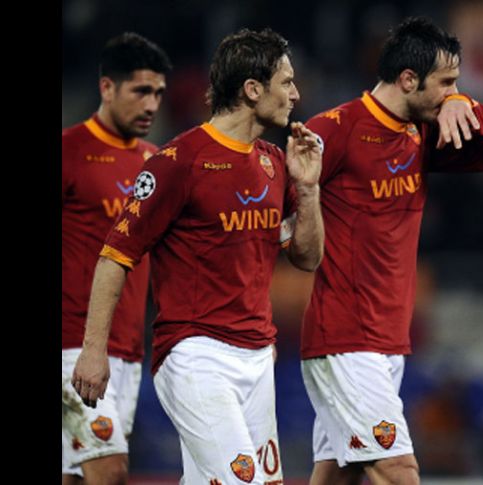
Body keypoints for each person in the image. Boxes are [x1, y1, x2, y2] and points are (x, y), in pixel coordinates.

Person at [71, 28, 324, 485]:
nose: (295, 94)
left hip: (258, 356)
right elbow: (115, 257)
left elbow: (306, 258)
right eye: (285, 82)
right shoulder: (178, 162)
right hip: (195, 355)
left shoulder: (272, 163)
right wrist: (93, 351)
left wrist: (308, 188)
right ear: (252, 89)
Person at [299, 16, 483, 484]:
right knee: (400, 471)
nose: (452, 91)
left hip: (388, 338)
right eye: (446, 82)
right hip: (346, 335)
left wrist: (461, 100)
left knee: (339, 473)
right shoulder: (335, 130)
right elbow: (282, 210)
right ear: (408, 79)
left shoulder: (423, 134)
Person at [62, 32, 171, 485]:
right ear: (107, 88)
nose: (152, 105)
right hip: (74, 346)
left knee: (78, 476)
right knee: (110, 471)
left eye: (159, 93)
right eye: (140, 91)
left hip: (127, 350)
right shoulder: (68, 152)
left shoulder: (157, 163)